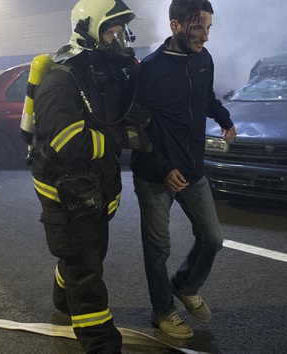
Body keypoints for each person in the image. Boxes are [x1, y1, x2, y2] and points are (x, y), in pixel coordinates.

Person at [29, 0, 150, 352]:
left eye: (119, 32)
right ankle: (101, 343)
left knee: (89, 254)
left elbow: (111, 115)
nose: (118, 39)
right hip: (65, 189)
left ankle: (63, 296)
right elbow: (68, 142)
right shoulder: (61, 79)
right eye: (110, 32)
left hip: (93, 184)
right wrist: (123, 138)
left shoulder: (101, 71)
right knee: (86, 269)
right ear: (89, 31)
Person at [130, 0, 236, 339]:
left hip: (193, 169)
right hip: (155, 176)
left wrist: (224, 119)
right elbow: (136, 130)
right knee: (158, 249)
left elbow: (204, 99)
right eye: (198, 27)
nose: (205, 36)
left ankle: (185, 285)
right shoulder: (149, 69)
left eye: (208, 28)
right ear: (175, 25)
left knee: (213, 238)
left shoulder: (203, 61)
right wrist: (161, 169)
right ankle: (162, 311)